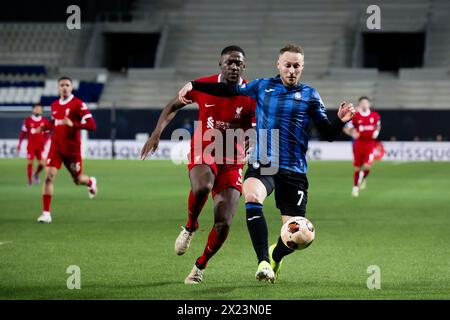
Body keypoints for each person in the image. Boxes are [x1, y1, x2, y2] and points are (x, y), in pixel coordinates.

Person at [178, 43, 355, 283]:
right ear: (278, 65)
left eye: (296, 66)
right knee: (252, 197)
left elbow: (329, 134)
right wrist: (194, 85)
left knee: (299, 235)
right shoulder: (262, 86)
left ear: (302, 68)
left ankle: (275, 255)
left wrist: (341, 121)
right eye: (287, 65)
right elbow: (229, 91)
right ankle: (262, 261)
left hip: (294, 170)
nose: (291, 70)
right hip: (264, 163)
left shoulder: (310, 95)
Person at [140, 46, 256, 284]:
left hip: (233, 160)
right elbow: (172, 106)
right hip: (205, 149)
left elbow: (254, 129)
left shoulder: (251, 94)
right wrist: (156, 133)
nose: (233, 66)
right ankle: (190, 226)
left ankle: (199, 266)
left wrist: (251, 142)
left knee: (223, 223)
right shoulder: (202, 86)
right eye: (229, 62)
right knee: (202, 186)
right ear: (220, 65)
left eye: (238, 63)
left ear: (244, 67)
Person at [37, 76, 98, 224]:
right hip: (56, 147)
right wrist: (46, 127)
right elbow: (56, 122)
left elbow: (92, 126)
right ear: (58, 88)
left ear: (71, 88)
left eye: (67, 85)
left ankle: (89, 182)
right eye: (62, 85)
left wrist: (74, 124)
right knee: (49, 176)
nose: (64, 87)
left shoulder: (78, 104)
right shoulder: (54, 105)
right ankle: (46, 214)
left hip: (72, 151)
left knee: (77, 180)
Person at [343, 96, 381, 197]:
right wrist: (352, 133)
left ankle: (363, 178)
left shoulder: (375, 115)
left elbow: (378, 125)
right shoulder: (356, 116)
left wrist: (376, 131)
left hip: (370, 144)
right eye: (362, 103)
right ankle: (355, 188)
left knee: (368, 166)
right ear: (360, 105)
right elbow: (347, 128)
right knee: (357, 168)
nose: (364, 104)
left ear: (369, 104)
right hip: (358, 144)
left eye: (366, 102)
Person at [17, 103, 50, 186]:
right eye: (36, 108)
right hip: (31, 146)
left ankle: (35, 174)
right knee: (30, 162)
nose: (38, 110)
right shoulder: (27, 120)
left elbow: (47, 135)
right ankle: (30, 182)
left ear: (42, 111)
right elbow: (22, 133)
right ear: (33, 110)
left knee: (42, 164)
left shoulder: (44, 121)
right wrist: (19, 144)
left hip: (40, 147)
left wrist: (45, 142)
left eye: (40, 109)